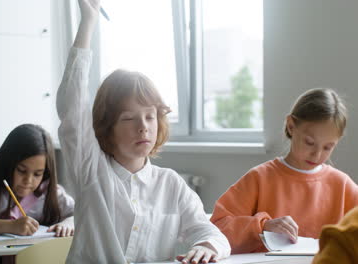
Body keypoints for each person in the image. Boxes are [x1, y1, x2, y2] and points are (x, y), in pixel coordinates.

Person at [56, 0, 230, 263]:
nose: (143, 126)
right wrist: (88, 23)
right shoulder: (91, 170)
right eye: (128, 118)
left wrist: (207, 246)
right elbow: (72, 105)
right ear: (107, 126)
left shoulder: (170, 184)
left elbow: (208, 232)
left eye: (150, 116)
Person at [210, 88, 358, 253]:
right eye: (309, 142)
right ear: (291, 126)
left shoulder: (343, 185)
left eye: (328, 147)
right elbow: (216, 229)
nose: (317, 154)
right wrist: (262, 227)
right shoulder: (260, 178)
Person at [0, 124, 74, 238]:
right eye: (22, 171)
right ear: (7, 163)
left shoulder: (50, 193)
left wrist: (69, 223)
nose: (28, 180)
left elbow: (81, 213)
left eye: (38, 174)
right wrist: (11, 226)